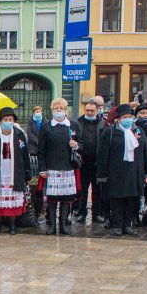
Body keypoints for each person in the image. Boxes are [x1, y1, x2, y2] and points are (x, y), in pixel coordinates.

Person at [98, 104, 147, 236]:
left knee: (131, 200)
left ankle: (128, 224)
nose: (128, 119)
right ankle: (117, 225)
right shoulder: (110, 132)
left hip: (134, 172)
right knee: (117, 200)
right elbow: (102, 154)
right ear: (118, 119)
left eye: (129, 117)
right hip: (116, 172)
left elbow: (145, 152)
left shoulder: (139, 131)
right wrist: (102, 174)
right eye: (124, 117)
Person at [0, 107, 31, 235]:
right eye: (5, 119)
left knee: (13, 201)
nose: (8, 122)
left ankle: (12, 225)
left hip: (15, 172)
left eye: (10, 119)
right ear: (0, 121)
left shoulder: (19, 135)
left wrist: (27, 173)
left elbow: (25, 155)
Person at [38, 98, 81, 235]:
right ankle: (52, 225)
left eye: (61, 108)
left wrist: (76, 145)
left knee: (66, 198)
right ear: (52, 110)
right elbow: (41, 151)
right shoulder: (46, 127)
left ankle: (63, 225)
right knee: (52, 199)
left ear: (65, 110)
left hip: (68, 167)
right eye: (56, 108)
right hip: (52, 168)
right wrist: (42, 169)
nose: (58, 110)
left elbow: (82, 145)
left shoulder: (73, 125)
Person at [73, 98, 102, 224]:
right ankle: (81, 212)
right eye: (88, 110)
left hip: (97, 162)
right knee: (82, 190)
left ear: (97, 110)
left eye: (92, 110)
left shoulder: (102, 123)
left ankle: (96, 214)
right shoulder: (78, 123)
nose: (89, 113)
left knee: (97, 190)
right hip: (83, 162)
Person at [25, 105, 45, 223]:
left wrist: (42, 142)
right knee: (33, 165)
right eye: (36, 111)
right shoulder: (30, 122)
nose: (38, 113)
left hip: (42, 148)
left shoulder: (45, 121)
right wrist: (38, 142)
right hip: (33, 148)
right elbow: (30, 134)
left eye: (40, 111)